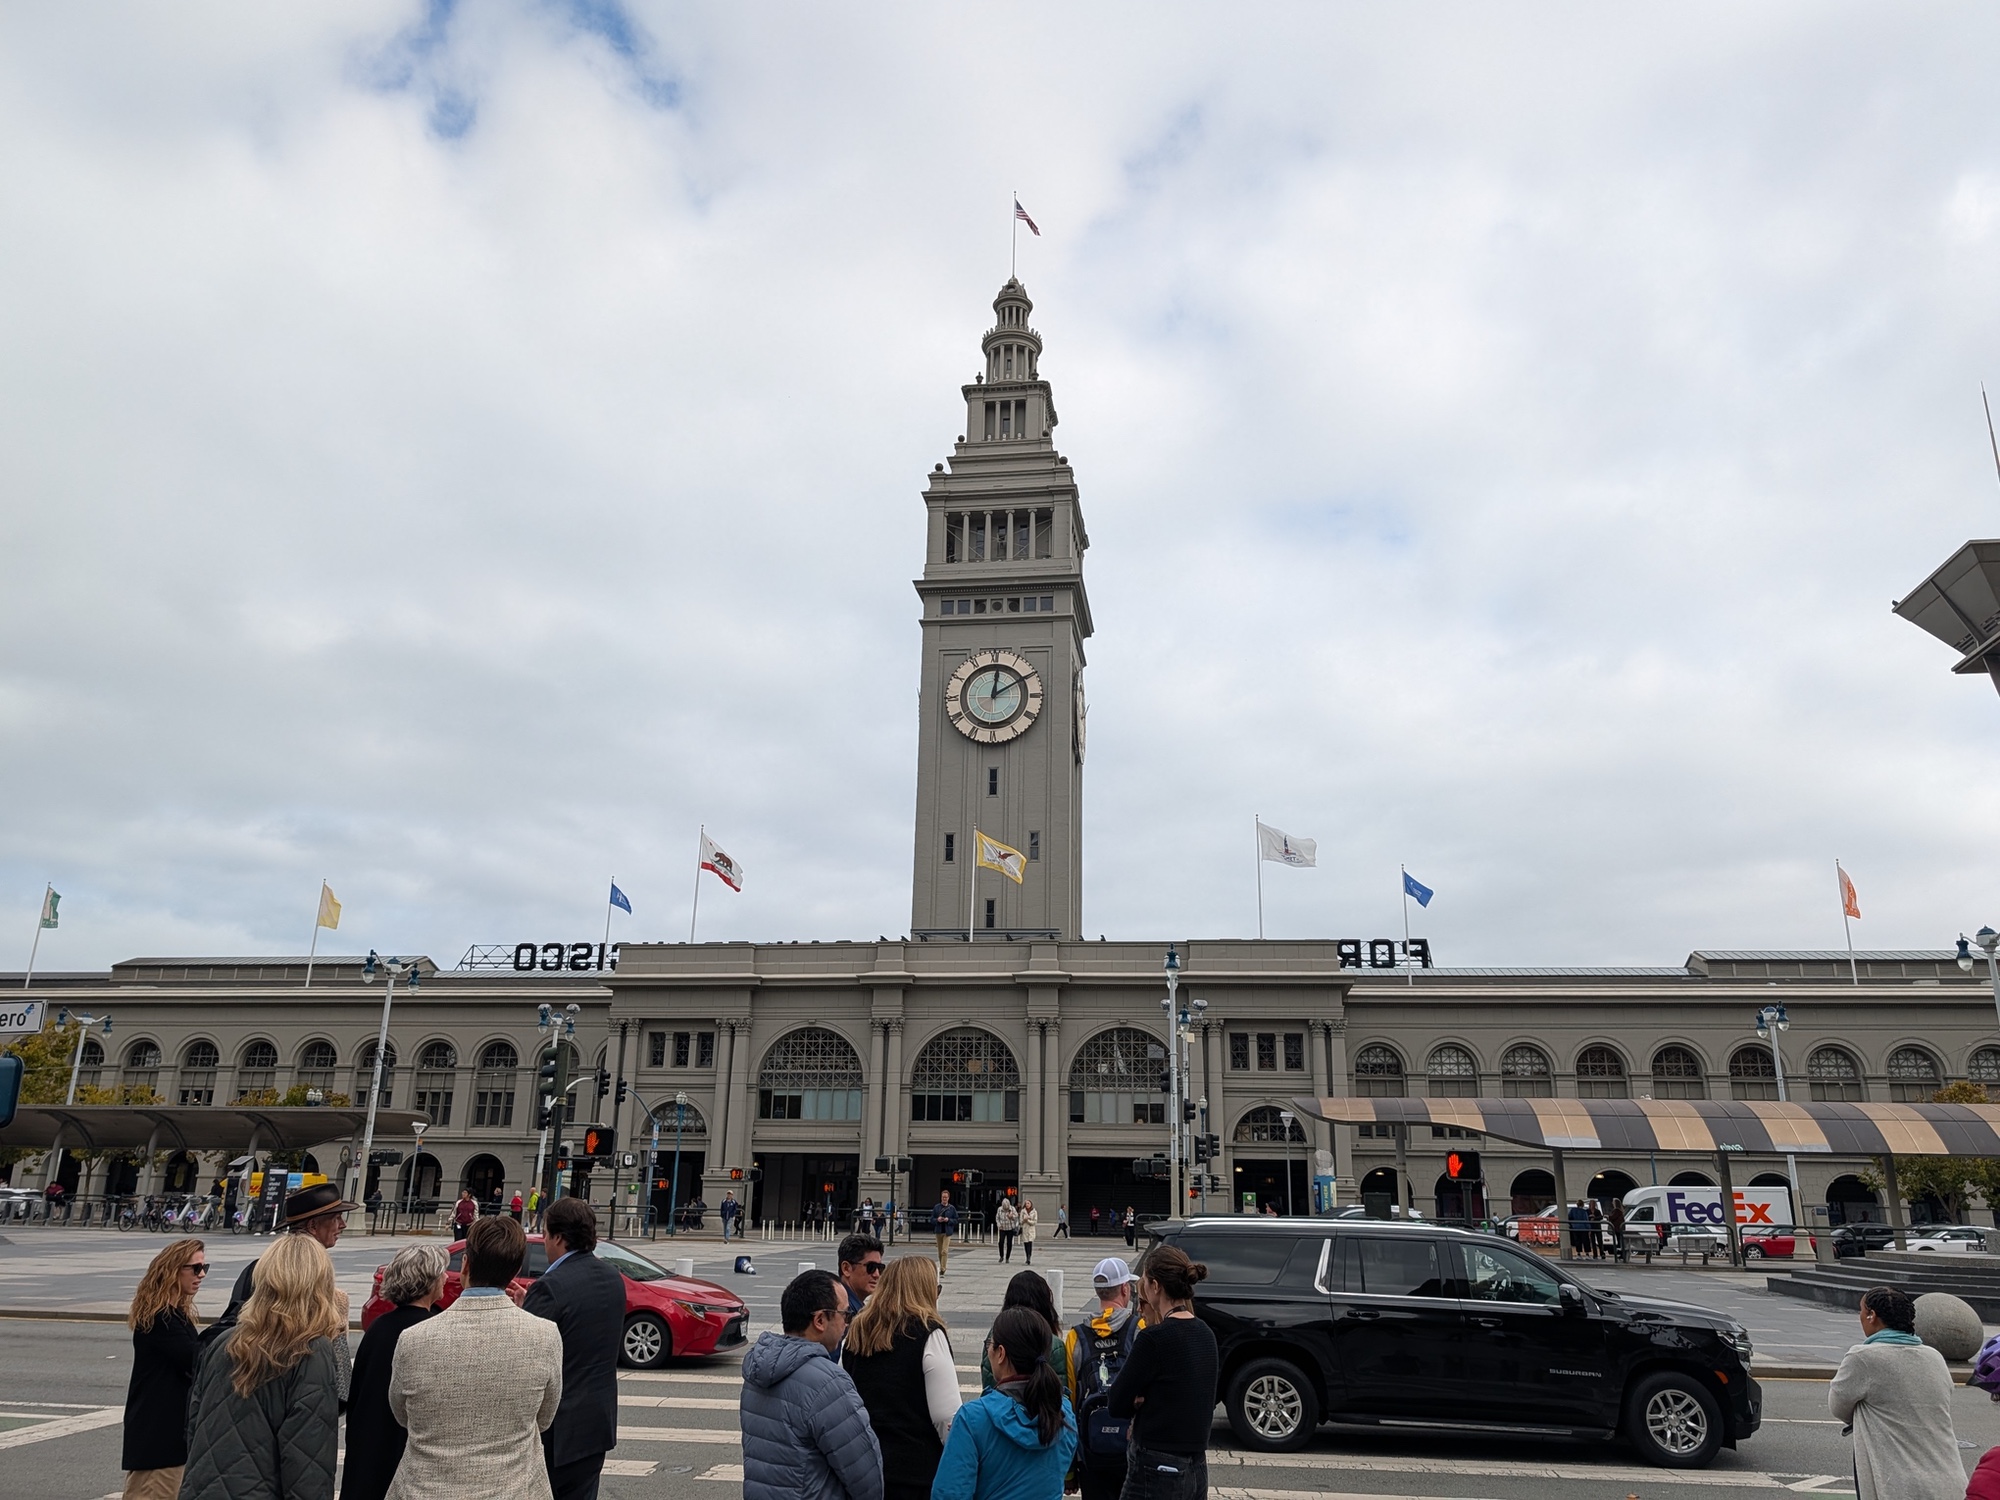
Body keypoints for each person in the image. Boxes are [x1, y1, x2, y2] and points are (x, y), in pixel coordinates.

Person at [387, 1217, 563, 1499]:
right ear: (516, 1270)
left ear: (466, 1264)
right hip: (513, 1489)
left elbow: (402, 1413)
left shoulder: (414, 1338)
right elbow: (543, 1419)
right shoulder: (545, 1335)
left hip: (425, 1490)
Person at [179, 1234, 344, 1500]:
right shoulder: (310, 1350)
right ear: (320, 1285)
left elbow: (194, 1426)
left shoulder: (223, 1341)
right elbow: (309, 1462)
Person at [741, 1269, 883, 1500]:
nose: (847, 1324)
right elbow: (865, 1476)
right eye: (845, 1315)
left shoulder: (756, 1372)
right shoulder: (829, 1382)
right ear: (819, 1320)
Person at [213, 1182, 356, 1399]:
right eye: (336, 1218)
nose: (343, 1225)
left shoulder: (257, 1269)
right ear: (313, 1226)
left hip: (247, 1390)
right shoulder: (330, 1294)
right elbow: (342, 1390)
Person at [524, 1197, 625, 1500]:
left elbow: (529, 1353)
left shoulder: (550, 1286)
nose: (543, 1241)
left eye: (544, 1234)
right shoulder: (613, 1278)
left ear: (558, 1237)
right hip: (597, 1423)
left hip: (557, 1432)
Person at [1827, 1285, 1963, 1500]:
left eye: (1861, 1311)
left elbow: (1838, 1406)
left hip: (1897, 1483)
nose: (1860, 1317)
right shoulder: (1934, 1356)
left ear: (1871, 1316)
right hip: (1949, 1479)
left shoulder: (1862, 1357)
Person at [842, 1256, 959, 1500]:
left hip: (863, 1467)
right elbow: (946, 1417)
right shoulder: (929, 1333)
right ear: (926, 1291)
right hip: (915, 1472)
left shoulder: (857, 1330)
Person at [1105, 1245, 1217, 1500]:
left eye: (1144, 1280)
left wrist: (1139, 1402)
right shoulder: (1206, 1334)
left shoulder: (1153, 1339)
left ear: (1155, 1286)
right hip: (1197, 1467)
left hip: (1156, 1466)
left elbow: (1116, 1403)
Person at [933, 1305, 1076, 1500]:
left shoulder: (972, 1419)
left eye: (989, 1344)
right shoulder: (1063, 1413)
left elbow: (949, 1494)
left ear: (1001, 1353)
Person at [342, 1243, 447, 1500]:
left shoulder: (380, 1326)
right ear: (429, 1281)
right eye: (442, 1272)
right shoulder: (432, 1330)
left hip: (368, 1452)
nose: (446, 1277)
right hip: (406, 1456)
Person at [120, 1238, 207, 1500]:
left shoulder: (175, 1315)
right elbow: (196, 1360)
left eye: (205, 1268)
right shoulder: (160, 1320)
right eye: (195, 1268)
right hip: (158, 1445)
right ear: (172, 1271)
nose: (201, 1275)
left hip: (168, 1443)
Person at [1061, 1257, 1145, 1500]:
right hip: (1131, 1453)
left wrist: (1070, 1471)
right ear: (1124, 1289)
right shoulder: (1139, 1328)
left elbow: (1070, 1403)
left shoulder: (1076, 1337)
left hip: (1092, 1454)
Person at [981, 1272, 1066, 1393]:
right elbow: (1062, 1391)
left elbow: (988, 1382)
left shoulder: (995, 1337)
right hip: (1045, 1409)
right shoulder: (1054, 1344)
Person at [838, 1232, 885, 1320]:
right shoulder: (843, 1312)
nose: (877, 1274)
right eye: (871, 1267)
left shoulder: (853, 1307)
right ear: (846, 1268)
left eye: (880, 1268)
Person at [933, 1189, 959, 1276]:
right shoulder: (937, 1207)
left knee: (944, 1250)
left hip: (947, 1232)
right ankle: (941, 1265)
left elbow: (956, 1219)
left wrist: (949, 1220)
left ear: (948, 1198)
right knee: (940, 1251)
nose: (944, 1199)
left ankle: (943, 1268)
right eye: (943, 1197)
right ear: (941, 1198)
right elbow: (931, 1219)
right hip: (939, 1231)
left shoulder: (952, 1208)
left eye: (946, 1197)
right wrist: (937, 1219)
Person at [995, 1197, 1019, 1263]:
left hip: (1010, 1228)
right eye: (1004, 1208)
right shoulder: (999, 1209)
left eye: (1007, 1208)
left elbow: (1016, 1218)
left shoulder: (1012, 1209)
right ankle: (1001, 1256)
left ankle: (1007, 1257)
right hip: (1002, 1228)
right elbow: (997, 1218)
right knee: (1001, 1242)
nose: (1006, 1209)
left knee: (1009, 1243)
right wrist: (999, 1225)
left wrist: (1012, 1217)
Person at [1018, 1199, 1039, 1265]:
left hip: (1031, 1230)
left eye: (1028, 1203)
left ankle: (1029, 1258)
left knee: (1030, 1244)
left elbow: (1034, 1222)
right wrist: (1024, 1220)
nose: (1027, 1204)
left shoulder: (1034, 1212)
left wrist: (1028, 1220)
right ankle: (1027, 1256)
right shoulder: (1023, 1211)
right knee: (1026, 1244)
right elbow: (1020, 1221)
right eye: (1026, 1203)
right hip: (1025, 1230)